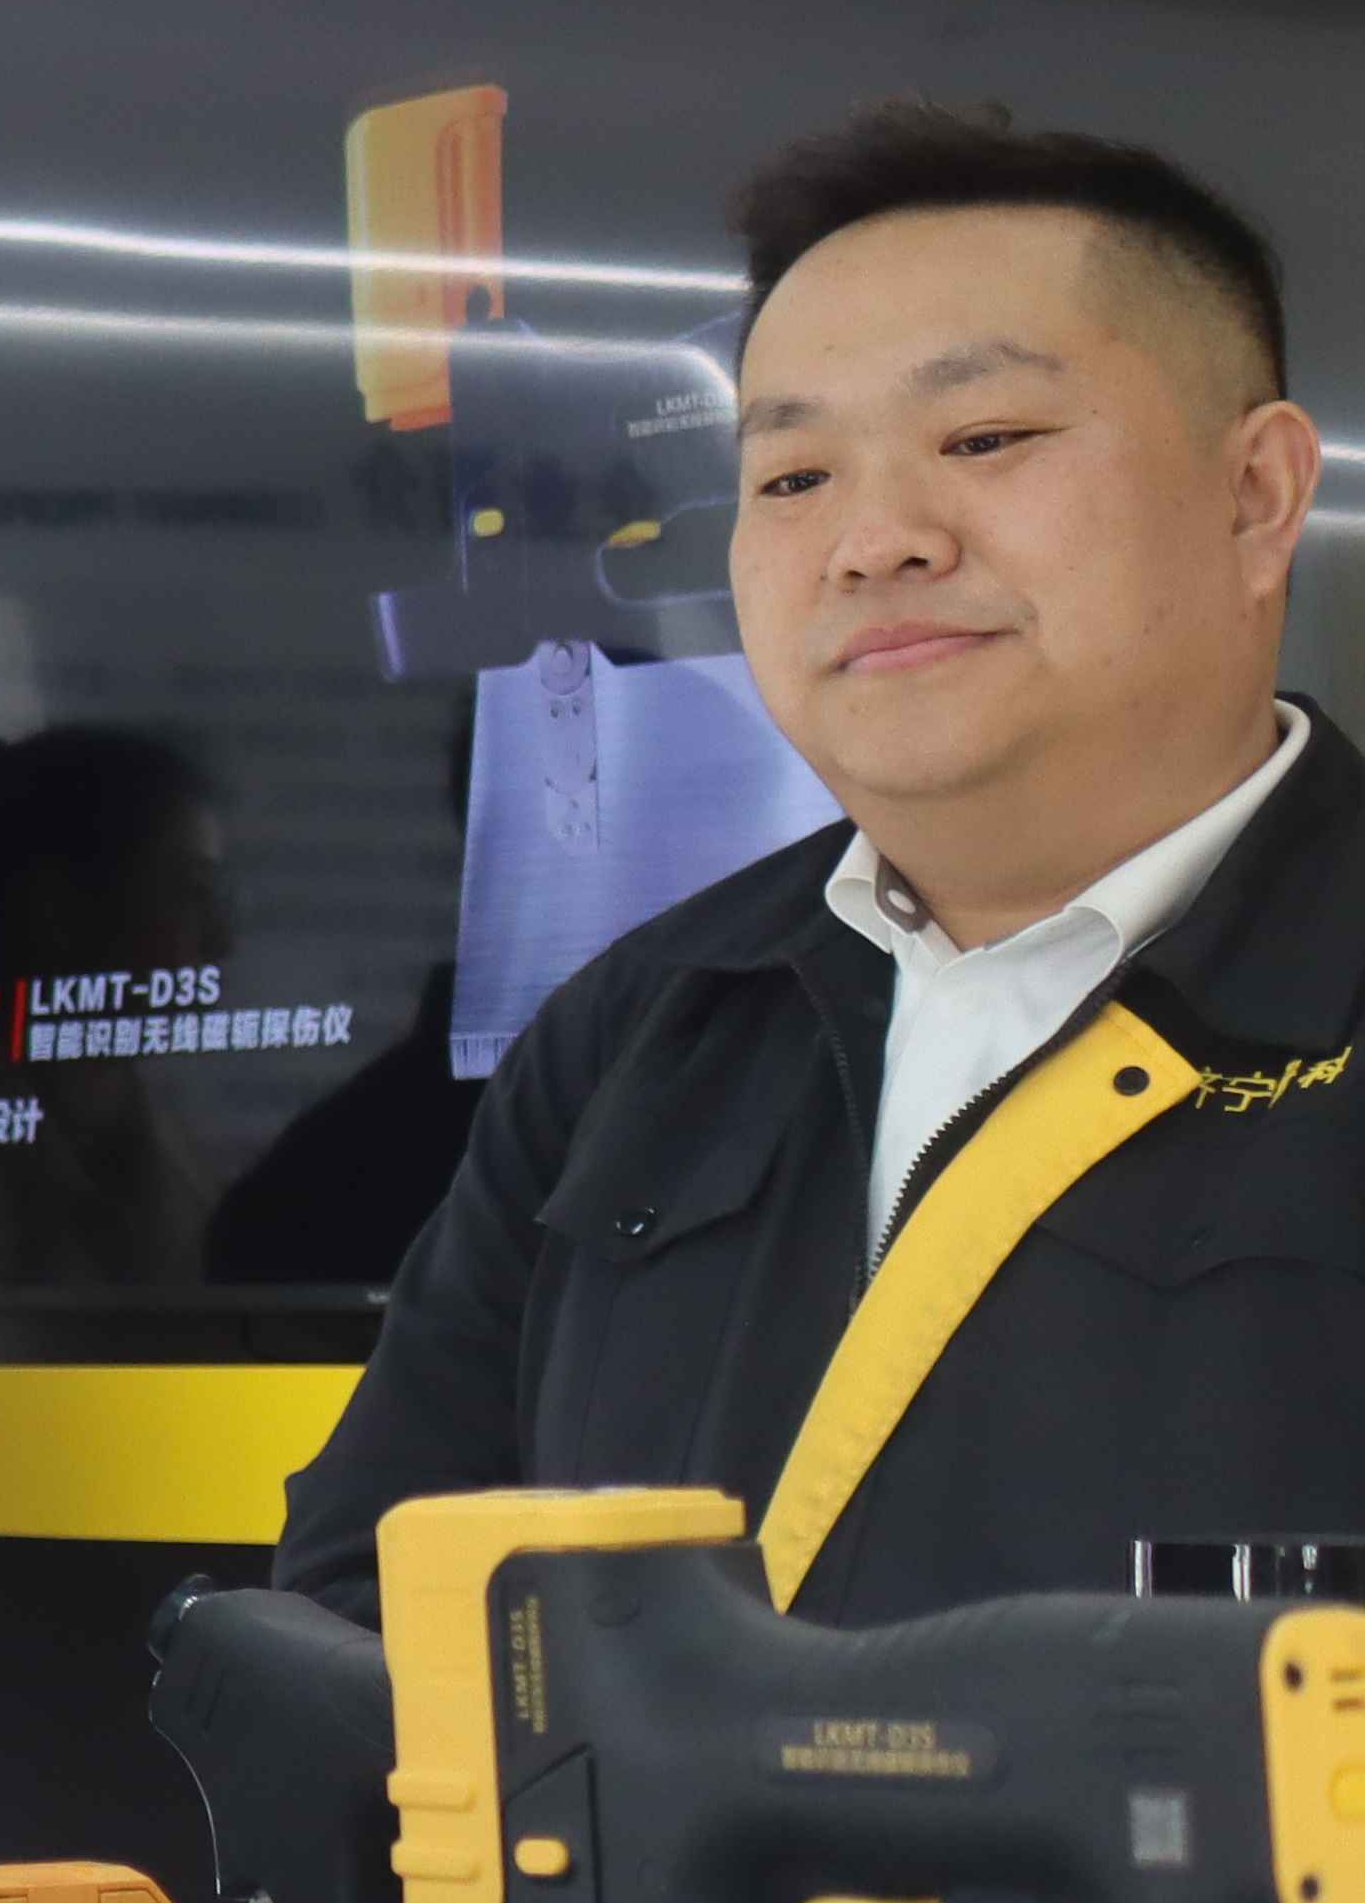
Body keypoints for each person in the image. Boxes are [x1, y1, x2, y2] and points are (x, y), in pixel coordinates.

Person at [282, 103, 1352, 1625]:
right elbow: (368, 1601)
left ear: (1257, 495)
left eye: (984, 440)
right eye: (792, 479)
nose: (874, 541)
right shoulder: (641, 1029)